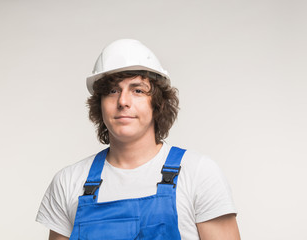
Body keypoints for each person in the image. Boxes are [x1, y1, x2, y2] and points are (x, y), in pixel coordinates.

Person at [36, 39, 241, 240]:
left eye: (138, 90)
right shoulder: (69, 182)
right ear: (100, 104)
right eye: (112, 91)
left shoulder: (198, 173)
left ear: (157, 103)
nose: (123, 101)